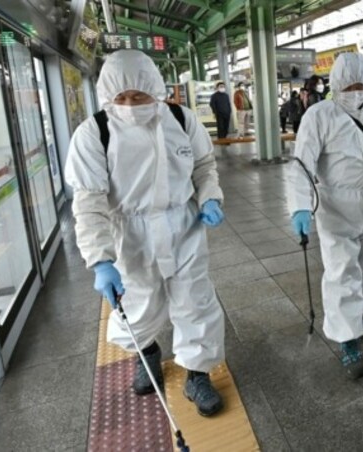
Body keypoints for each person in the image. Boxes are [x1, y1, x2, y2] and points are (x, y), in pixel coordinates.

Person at [64, 50, 227, 416]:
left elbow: (203, 165)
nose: (130, 104)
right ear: (107, 95)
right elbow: (88, 202)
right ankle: (147, 352)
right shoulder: (94, 133)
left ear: (156, 89)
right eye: (120, 98)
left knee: (195, 299)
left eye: (139, 96)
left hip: (184, 225)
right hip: (129, 232)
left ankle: (197, 373)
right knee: (137, 304)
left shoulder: (181, 119)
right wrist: (100, 260)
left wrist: (209, 198)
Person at [286, 52, 363, 379]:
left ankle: (362, 311)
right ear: (337, 84)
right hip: (337, 205)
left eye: (361, 84)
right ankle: (347, 339)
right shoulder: (319, 115)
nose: (356, 90)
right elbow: (302, 163)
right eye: (350, 84)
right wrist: (300, 205)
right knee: (342, 271)